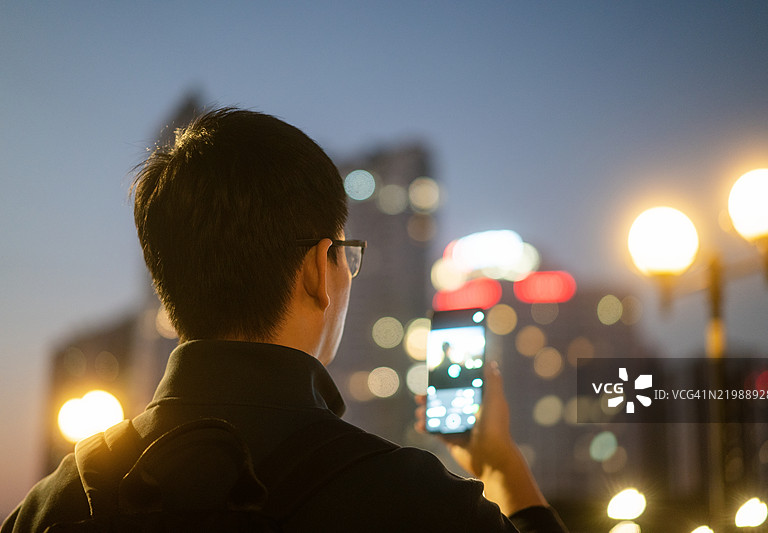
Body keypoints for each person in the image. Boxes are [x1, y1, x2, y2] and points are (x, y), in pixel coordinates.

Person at [2, 108, 567, 532]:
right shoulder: (416, 502)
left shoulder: (49, 506)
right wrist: (502, 465)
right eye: (346, 255)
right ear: (319, 271)